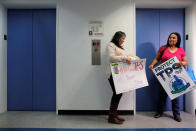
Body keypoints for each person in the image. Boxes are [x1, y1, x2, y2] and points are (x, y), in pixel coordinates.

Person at [149, 32, 188, 122]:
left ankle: (176, 115)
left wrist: (182, 63)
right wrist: (152, 64)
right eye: (170, 37)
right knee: (162, 96)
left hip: (176, 76)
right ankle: (159, 112)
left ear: (177, 40)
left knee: (176, 95)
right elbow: (156, 59)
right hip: (163, 76)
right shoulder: (163, 48)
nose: (171, 39)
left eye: (174, 38)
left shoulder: (181, 50)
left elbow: (186, 61)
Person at [106, 31, 140, 124]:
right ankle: (111, 117)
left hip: (119, 74)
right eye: (122, 38)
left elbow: (125, 55)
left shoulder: (120, 47)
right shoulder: (111, 45)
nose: (123, 40)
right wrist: (124, 58)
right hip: (113, 73)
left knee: (119, 93)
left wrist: (133, 57)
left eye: (124, 39)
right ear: (117, 38)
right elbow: (111, 57)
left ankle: (114, 115)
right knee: (117, 93)